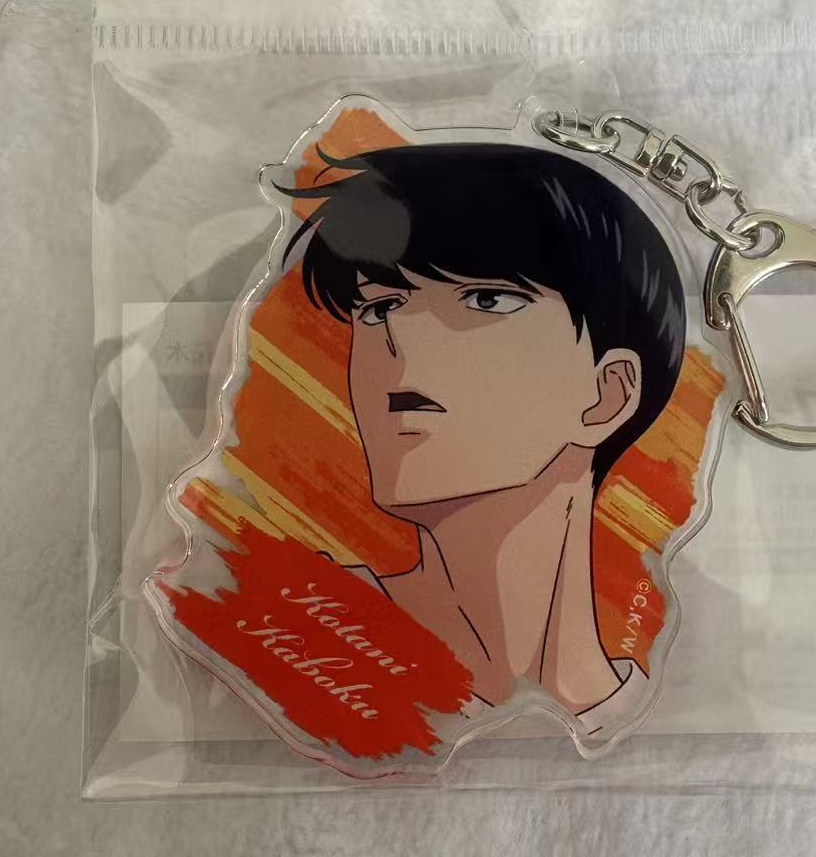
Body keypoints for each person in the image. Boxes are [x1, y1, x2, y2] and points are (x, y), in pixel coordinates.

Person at [283, 141, 685, 724]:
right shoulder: (304, 624)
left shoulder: (655, 714)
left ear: (607, 394)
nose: (399, 339)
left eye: (486, 299)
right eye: (378, 307)